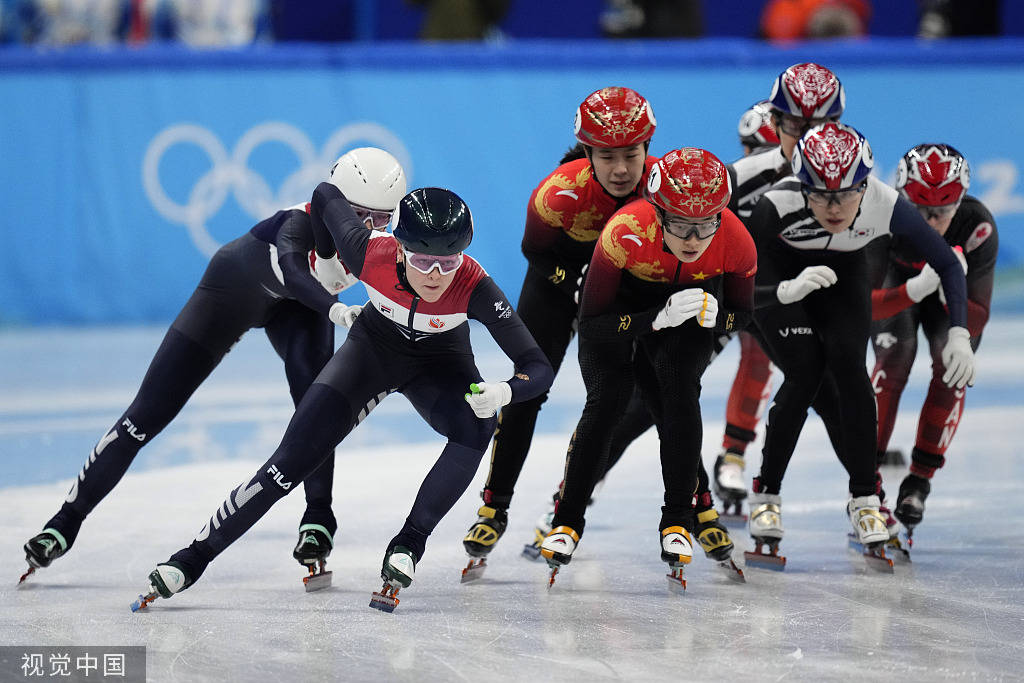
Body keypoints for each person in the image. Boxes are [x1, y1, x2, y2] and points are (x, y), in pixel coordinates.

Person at [132, 185, 554, 612]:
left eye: (448, 261)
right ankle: (191, 559)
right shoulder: (368, 251)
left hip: (441, 364)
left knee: (477, 426)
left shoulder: (475, 285)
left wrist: (506, 390)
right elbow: (325, 193)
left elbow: (537, 366)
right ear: (400, 248)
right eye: (424, 260)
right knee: (289, 462)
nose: (436, 275)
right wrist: (331, 261)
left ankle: (409, 542)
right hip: (371, 353)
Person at [20, 147, 406, 584]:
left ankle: (318, 518)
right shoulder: (296, 226)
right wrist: (336, 310)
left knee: (317, 409)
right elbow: (295, 274)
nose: (371, 230)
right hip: (231, 293)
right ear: (336, 206)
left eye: (383, 219)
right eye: (360, 216)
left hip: (300, 311)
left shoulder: (381, 244)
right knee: (146, 415)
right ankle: (64, 521)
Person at [745, 122, 975, 566]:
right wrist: (779, 293)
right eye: (822, 196)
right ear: (802, 186)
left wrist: (960, 332)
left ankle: (865, 498)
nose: (835, 207)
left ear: (865, 185)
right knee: (806, 373)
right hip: (782, 281)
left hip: (844, 276)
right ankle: (767, 494)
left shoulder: (884, 202)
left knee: (851, 374)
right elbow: (733, 282)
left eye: (847, 194)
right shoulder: (776, 205)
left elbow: (947, 263)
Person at [539, 148, 756, 587]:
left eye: (705, 224)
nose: (693, 240)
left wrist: (720, 318)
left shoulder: (735, 239)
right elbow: (593, 325)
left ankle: (678, 518)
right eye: (679, 224)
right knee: (608, 400)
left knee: (678, 390)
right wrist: (652, 319)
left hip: (689, 311)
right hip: (618, 314)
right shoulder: (623, 233)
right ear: (657, 213)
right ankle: (567, 519)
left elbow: (743, 315)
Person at [713, 63, 846, 517]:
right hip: (729, 279)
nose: (752, 155)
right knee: (662, 380)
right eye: (746, 147)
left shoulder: (813, 180)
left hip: (773, 286)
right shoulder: (740, 176)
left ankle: (733, 455)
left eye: (760, 148)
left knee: (766, 361)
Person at [870, 144, 997, 543]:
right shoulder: (881, 219)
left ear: (960, 202)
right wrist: (914, 288)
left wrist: (948, 294)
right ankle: (865, 484)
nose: (930, 221)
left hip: (946, 300)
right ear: (902, 199)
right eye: (920, 211)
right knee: (894, 358)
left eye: (942, 212)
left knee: (952, 367)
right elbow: (865, 308)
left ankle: (919, 482)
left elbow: (976, 313)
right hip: (897, 288)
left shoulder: (977, 226)